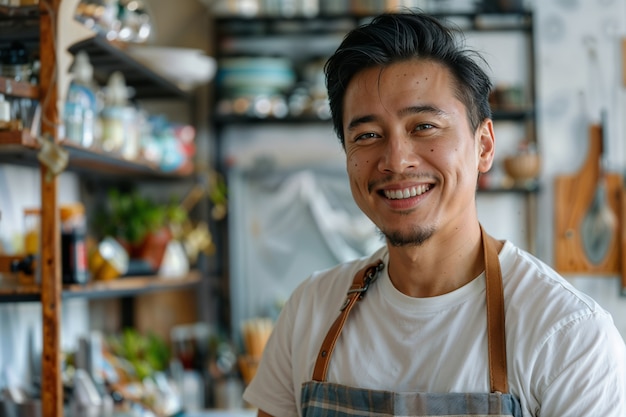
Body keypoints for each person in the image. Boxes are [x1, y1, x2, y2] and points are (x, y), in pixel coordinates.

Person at [242, 11, 626, 417]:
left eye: (424, 126)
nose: (396, 160)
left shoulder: (567, 334)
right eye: (367, 136)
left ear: (483, 146)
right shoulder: (310, 309)